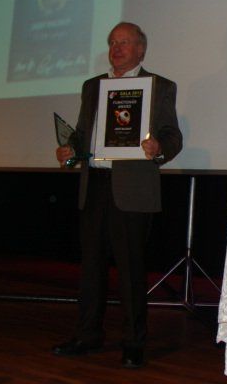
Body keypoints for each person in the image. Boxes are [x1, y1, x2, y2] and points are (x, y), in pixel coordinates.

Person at [52, 22, 182, 369]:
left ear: (141, 49)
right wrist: (70, 149)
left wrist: (158, 148)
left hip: (132, 189)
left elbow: (172, 136)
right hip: (94, 184)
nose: (117, 48)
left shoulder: (159, 86)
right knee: (90, 269)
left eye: (125, 42)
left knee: (131, 270)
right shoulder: (92, 86)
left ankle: (134, 342)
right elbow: (83, 134)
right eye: (112, 42)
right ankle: (87, 335)